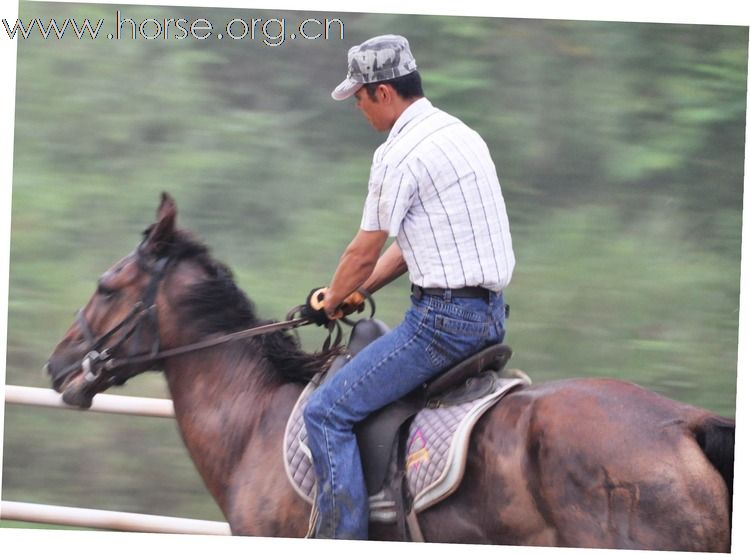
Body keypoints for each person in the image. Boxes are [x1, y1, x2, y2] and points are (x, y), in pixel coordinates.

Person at [301, 34, 515, 540]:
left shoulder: (398, 154)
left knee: (325, 411)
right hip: (490, 316)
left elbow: (363, 250)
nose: (358, 108)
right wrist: (352, 295)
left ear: (382, 91)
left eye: (359, 97)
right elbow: (409, 243)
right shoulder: (461, 134)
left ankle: (342, 539)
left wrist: (329, 300)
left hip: (441, 325)